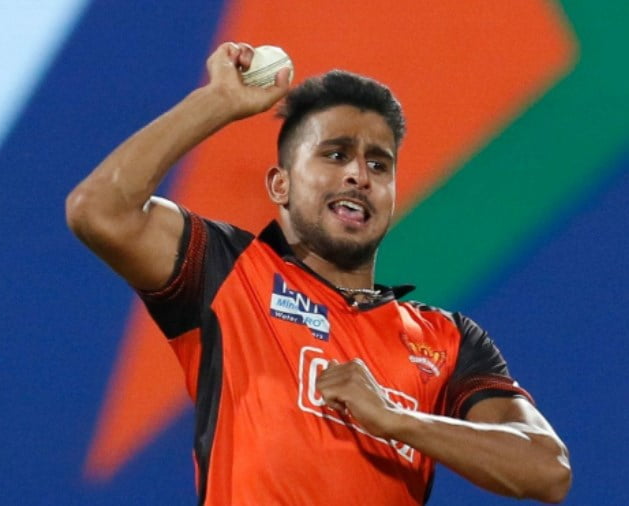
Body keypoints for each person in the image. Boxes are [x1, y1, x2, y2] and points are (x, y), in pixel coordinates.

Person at [66, 42, 571, 505]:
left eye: (379, 165)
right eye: (335, 154)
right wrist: (217, 101)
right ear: (280, 185)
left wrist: (397, 420)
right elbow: (98, 210)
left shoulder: (447, 340)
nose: (359, 175)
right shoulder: (227, 271)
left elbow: (548, 470)